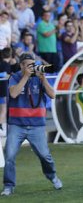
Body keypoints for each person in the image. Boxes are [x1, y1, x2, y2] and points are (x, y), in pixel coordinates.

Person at [1, 53, 62, 196]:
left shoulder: (39, 77)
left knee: (45, 155)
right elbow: (14, 94)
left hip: (36, 125)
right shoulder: (14, 77)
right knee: (9, 155)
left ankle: (52, 176)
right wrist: (26, 76)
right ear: (21, 65)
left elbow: (53, 95)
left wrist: (44, 79)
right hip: (17, 124)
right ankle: (9, 185)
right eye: (28, 65)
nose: (31, 68)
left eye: (33, 65)